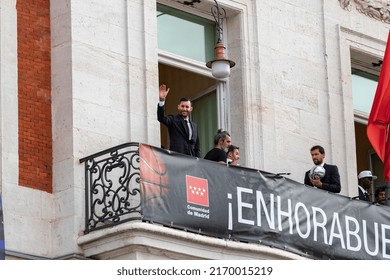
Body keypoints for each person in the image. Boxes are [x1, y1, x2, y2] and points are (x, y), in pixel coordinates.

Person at [157, 84, 200, 157]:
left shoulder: (195, 126)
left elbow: (197, 147)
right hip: (177, 158)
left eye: (187, 107)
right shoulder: (173, 120)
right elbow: (161, 118)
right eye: (182, 106)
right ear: (178, 107)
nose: (184, 109)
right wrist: (162, 101)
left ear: (191, 109)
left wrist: (199, 162)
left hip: (191, 160)